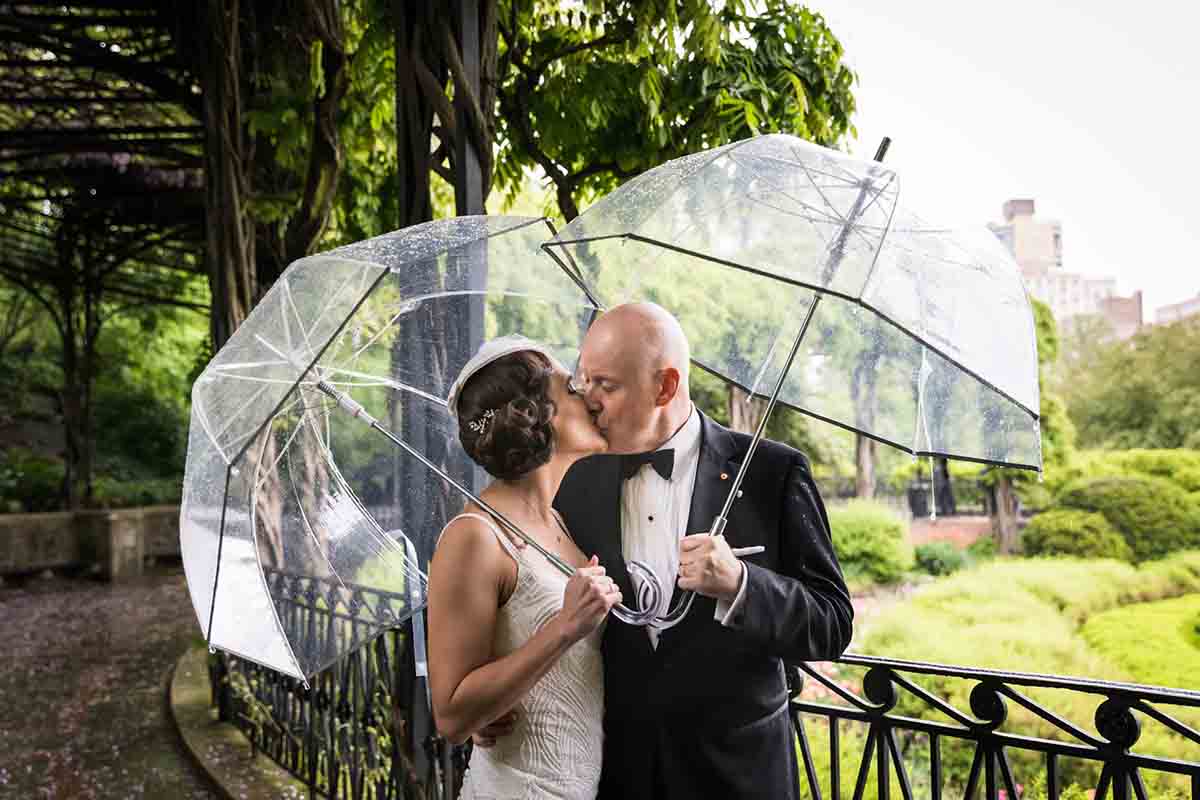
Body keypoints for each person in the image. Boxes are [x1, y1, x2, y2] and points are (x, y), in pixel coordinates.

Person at [482, 302, 854, 799]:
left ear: (665, 386)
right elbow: (531, 591)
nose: (587, 401)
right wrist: (497, 703)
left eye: (606, 385)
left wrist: (742, 584)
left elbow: (832, 623)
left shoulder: (772, 472)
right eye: (584, 380)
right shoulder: (573, 477)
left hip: (738, 776)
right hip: (617, 776)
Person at [427, 335, 622, 800]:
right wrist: (565, 627)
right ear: (534, 415)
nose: (589, 399)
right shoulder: (474, 536)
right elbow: (453, 715)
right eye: (572, 391)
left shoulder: (558, 521)